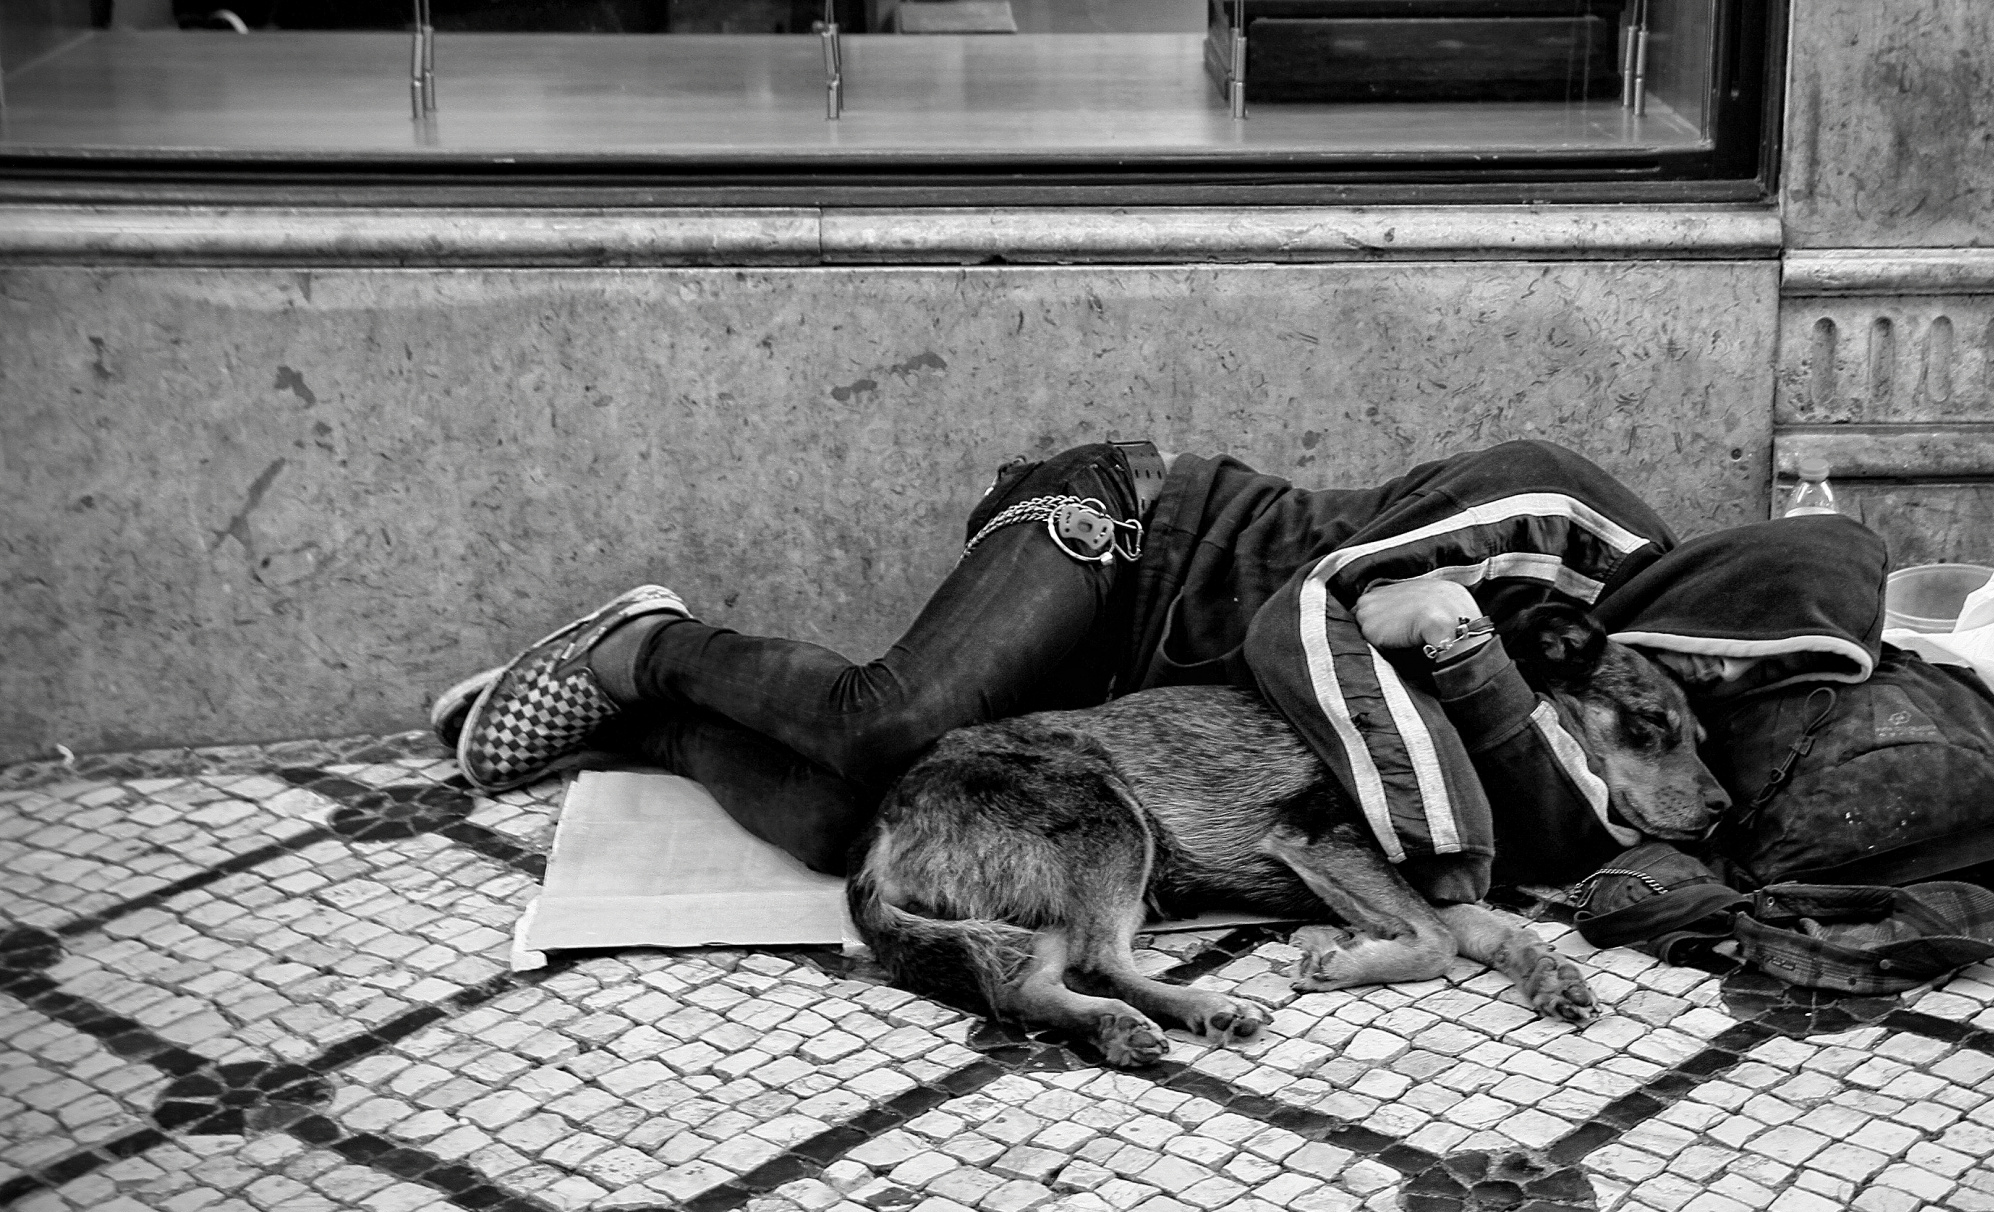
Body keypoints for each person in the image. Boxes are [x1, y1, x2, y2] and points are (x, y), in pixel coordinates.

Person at [443, 438, 1888, 898]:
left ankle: (648, 730)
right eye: (1685, 697)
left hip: (1121, 711)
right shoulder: (1548, 509)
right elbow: (1299, 626)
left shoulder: (1586, 667)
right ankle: (641, 643)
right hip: (1115, 539)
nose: (1682, 724)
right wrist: (1452, 847)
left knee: (851, 826)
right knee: (896, 723)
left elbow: (1551, 817)